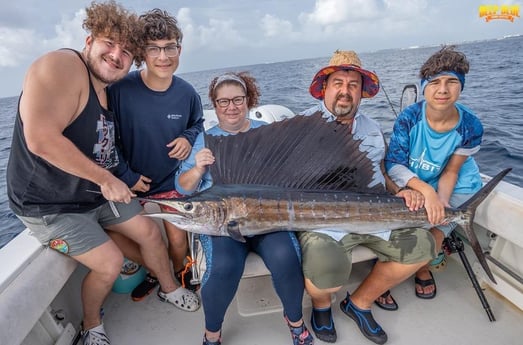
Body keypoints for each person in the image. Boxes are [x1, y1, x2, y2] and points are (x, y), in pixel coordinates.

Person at [5, 2, 199, 345]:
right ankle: (91, 325)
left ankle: (169, 288)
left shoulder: (106, 90)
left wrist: (116, 177)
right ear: (90, 39)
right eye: (110, 43)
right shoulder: (61, 65)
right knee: (109, 263)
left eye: (127, 50)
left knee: (150, 235)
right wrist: (109, 179)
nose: (116, 55)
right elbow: (41, 139)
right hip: (50, 205)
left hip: (93, 195)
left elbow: (104, 148)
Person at [297, 50, 435, 345]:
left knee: (424, 246)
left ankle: (359, 303)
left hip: (373, 214)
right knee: (326, 270)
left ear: (362, 92)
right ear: (325, 87)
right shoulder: (301, 127)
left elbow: (382, 172)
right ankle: (322, 308)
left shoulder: (372, 128)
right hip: (325, 221)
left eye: (353, 84)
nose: (345, 91)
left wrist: (401, 191)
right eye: (338, 83)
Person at [175, 72, 314, 345]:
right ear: (214, 105)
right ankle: (212, 333)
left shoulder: (267, 135)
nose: (231, 107)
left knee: (285, 257)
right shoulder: (203, 140)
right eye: (223, 101)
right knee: (224, 266)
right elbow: (182, 188)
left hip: (268, 219)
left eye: (237, 100)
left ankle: (295, 322)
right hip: (221, 224)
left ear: (248, 100)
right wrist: (199, 168)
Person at [108, 8, 204, 299]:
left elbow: (197, 124)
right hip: (130, 184)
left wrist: (188, 137)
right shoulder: (120, 89)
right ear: (142, 52)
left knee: (177, 241)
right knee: (119, 237)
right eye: (154, 49)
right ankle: (155, 272)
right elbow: (106, 139)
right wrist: (127, 177)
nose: (163, 57)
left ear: (179, 48)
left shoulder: (187, 93)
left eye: (170, 47)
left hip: (171, 182)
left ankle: (179, 276)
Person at [384, 45, 483, 300]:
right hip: (418, 182)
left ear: (461, 86)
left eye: (452, 82)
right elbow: (394, 164)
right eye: (435, 82)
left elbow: (451, 171)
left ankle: (425, 265)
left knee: (432, 238)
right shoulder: (409, 117)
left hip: (457, 185)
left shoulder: (471, 125)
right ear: (424, 86)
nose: (442, 90)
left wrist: (442, 201)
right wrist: (425, 190)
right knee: (404, 233)